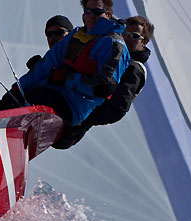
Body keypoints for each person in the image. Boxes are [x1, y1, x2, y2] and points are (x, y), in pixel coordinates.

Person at [0, 0, 130, 129]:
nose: (91, 16)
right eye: (87, 11)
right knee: (1, 106)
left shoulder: (113, 43)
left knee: (34, 98)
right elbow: (45, 66)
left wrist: (67, 79)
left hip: (74, 106)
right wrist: (18, 89)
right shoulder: (75, 36)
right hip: (54, 93)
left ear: (108, 14)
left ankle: (11, 127)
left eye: (97, 12)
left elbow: (104, 87)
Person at [53, 15, 154, 149]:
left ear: (144, 42)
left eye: (134, 36)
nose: (128, 38)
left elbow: (117, 110)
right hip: (68, 102)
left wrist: (86, 115)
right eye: (125, 33)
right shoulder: (114, 53)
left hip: (74, 122)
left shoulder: (135, 69)